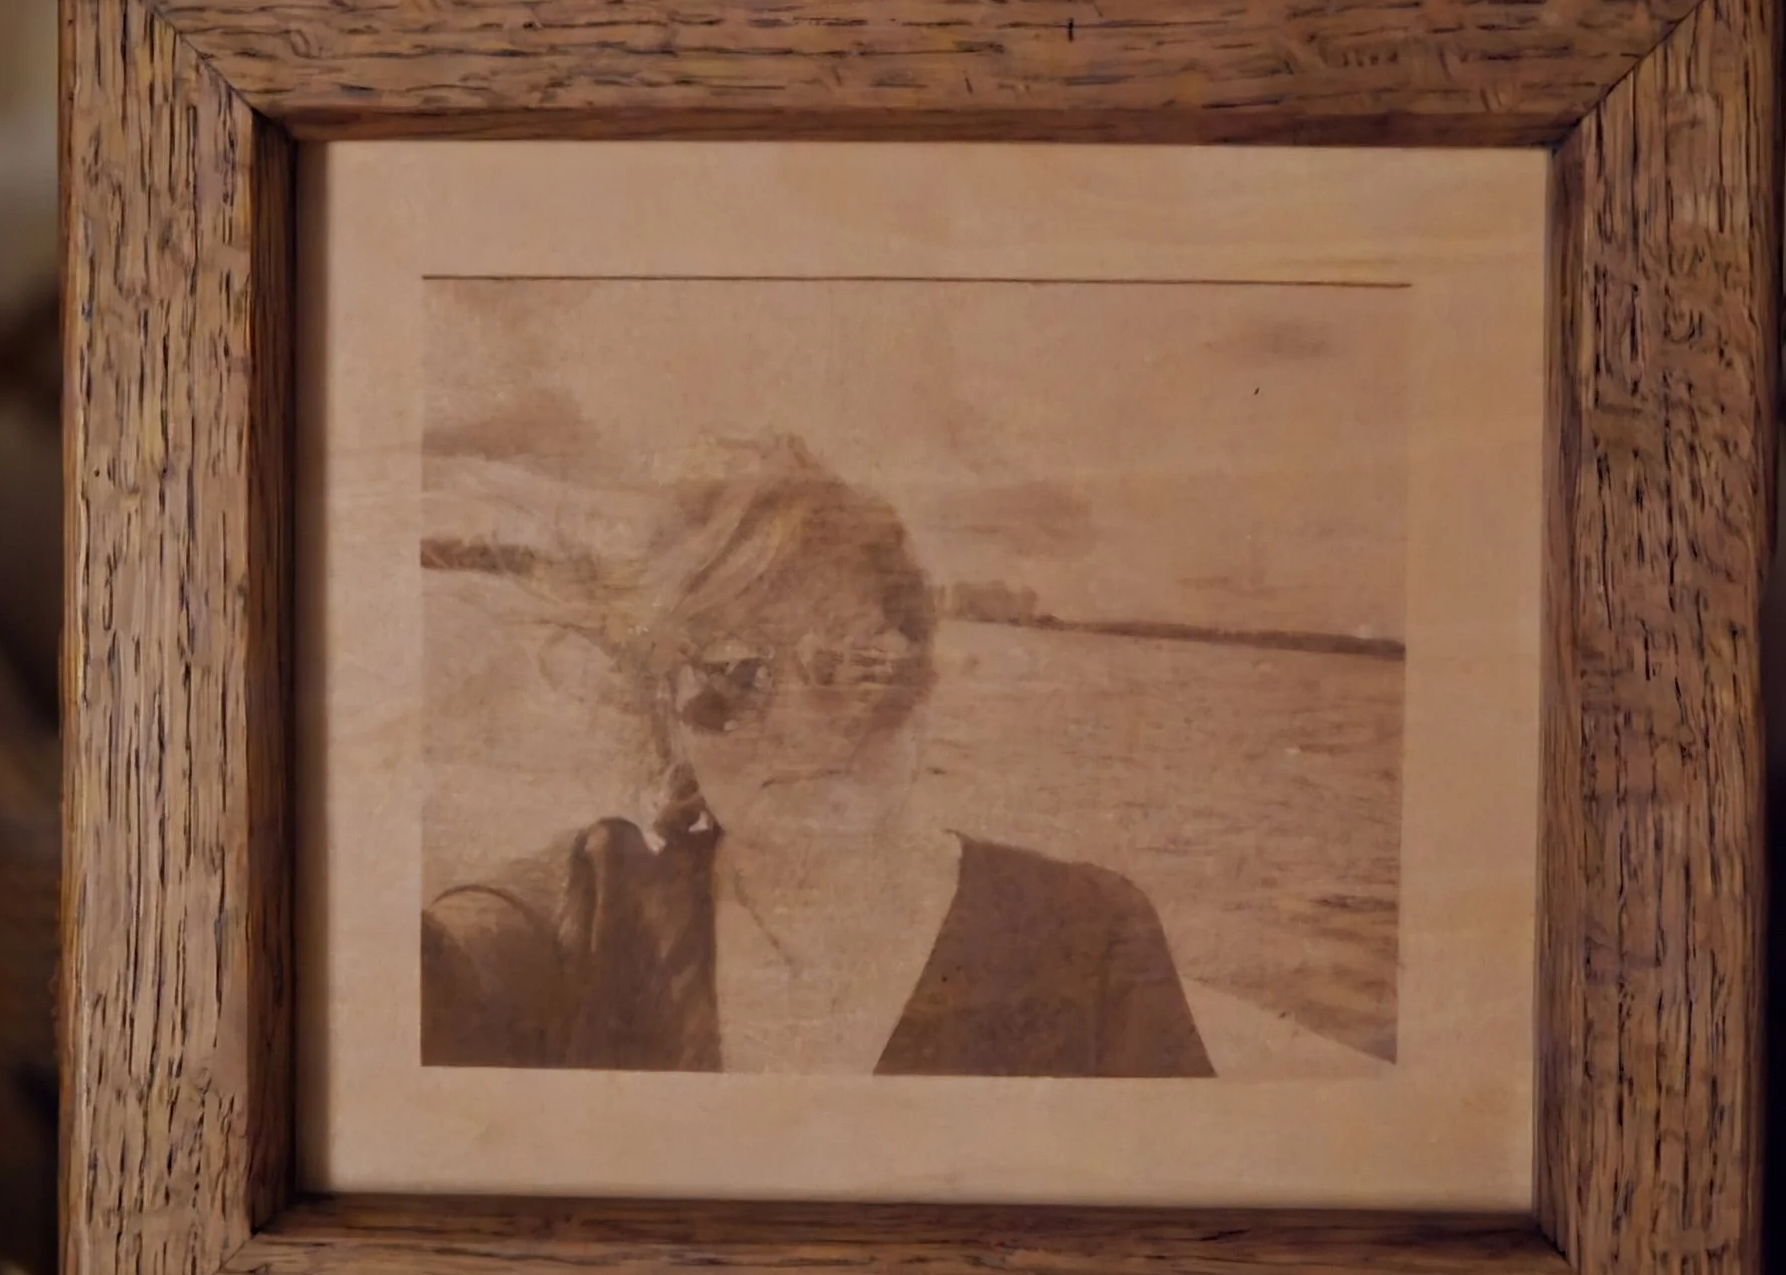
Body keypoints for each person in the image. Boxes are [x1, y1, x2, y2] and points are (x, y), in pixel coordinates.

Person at [420, 438, 1212, 1078]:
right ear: (672, 716)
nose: (799, 726)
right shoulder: (590, 911)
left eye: (851, 667)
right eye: (733, 674)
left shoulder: (1091, 937)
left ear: (923, 685)